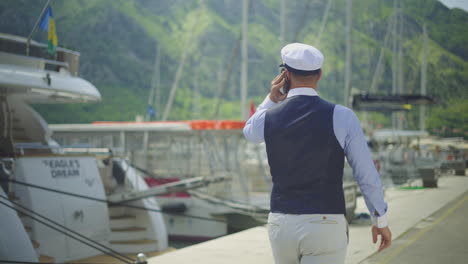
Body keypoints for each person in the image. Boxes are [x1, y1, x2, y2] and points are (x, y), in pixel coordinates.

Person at [243, 43, 391, 264]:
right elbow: (366, 173)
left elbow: (249, 132)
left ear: (285, 74)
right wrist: (380, 220)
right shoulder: (342, 116)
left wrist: (270, 99)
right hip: (326, 222)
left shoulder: (269, 117)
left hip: (281, 222)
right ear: (319, 74)